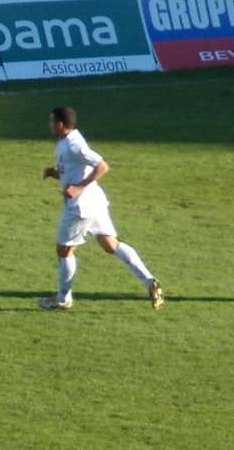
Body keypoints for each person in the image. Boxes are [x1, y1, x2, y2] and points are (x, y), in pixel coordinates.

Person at [37, 105, 161, 311]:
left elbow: (102, 166)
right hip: (95, 202)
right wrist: (53, 173)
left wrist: (78, 188)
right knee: (110, 244)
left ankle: (62, 298)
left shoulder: (75, 145)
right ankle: (149, 281)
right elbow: (73, 171)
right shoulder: (65, 143)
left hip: (80, 207)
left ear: (60, 124)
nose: (49, 125)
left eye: (51, 121)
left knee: (64, 250)